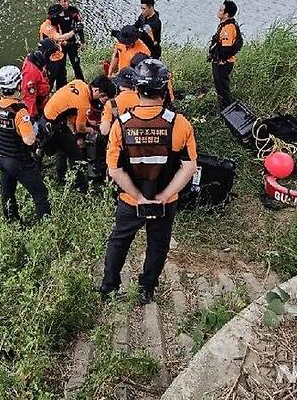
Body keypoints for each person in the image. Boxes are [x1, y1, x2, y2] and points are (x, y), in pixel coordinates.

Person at [100, 59, 198, 305]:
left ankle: (109, 288)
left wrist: (137, 196)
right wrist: (164, 196)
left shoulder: (120, 126)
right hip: (167, 201)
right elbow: (189, 167)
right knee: (158, 244)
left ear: (137, 89)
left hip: (129, 200)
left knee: (119, 241)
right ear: (164, 89)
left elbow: (115, 169)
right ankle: (146, 289)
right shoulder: (180, 124)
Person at [0, 66, 51, 222]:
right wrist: (33, 130)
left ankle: (13, 221)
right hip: (19, 160)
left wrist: (1, 129)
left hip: (2, 158)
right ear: (19, 85)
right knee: (40, 194)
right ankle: (46, 225)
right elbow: (29, 140)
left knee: (8, 193)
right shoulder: (20, 111)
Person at [43, 75, 116, 190]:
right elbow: (80, 128)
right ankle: (81, 187)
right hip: (55, 123)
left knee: (61, 151)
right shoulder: (84, 103)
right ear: (97, 90)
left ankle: (61, 177)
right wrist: (90, 129)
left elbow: (71, 109)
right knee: (75, 154)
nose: (102, 100)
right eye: (103, 97)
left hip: (49, 113)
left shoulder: (79, 83)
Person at [208, 0, 242, 110]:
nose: (218, 11)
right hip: (222, 61)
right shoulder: (227, 25)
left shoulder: (228, 28)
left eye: (221, 10)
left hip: (223, 63)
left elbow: (226, 48)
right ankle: (224, 109)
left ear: (226, 14)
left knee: (222, 88)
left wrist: (221, 59)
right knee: (221, 87)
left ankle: (226, 110)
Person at [21, 39, 58, 119]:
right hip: (38, 104)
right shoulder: (30, 72)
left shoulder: (40, 60)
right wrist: (33, 117)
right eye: (52, 55)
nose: (52, 58)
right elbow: (29, 98)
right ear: (47, 53)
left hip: (44, 98)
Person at [39, 4, 73, 89]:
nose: (62, 17)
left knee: (62, 78)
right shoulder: (46, 26)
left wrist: (68, 43)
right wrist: (74, 31)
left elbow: (60, 39)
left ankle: (60, 95)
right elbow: (59, 37)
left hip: (59, 55)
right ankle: (45, 98)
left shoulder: (57, 24)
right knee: (49, 81)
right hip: (49, 59)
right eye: (60, 15)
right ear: (54, 16)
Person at [100, 68, 140, 137]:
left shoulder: (111, 103)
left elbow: (104, 131)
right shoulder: (143, 100)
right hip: (140, 141)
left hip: (120, 143)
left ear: (119, 85)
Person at [54, 0, 85, 81]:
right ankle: (61, 87)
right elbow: (52, 32)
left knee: (76, 64)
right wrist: (60, 41)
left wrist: (83, 42)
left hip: (72, 43)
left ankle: (82, 83)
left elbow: (79, 27)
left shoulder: (73, 11)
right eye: (64, 1)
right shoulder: (54, 14)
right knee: (61, 68)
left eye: (68, 1)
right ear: (58, 2)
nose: (66, 3)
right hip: (60, 44)